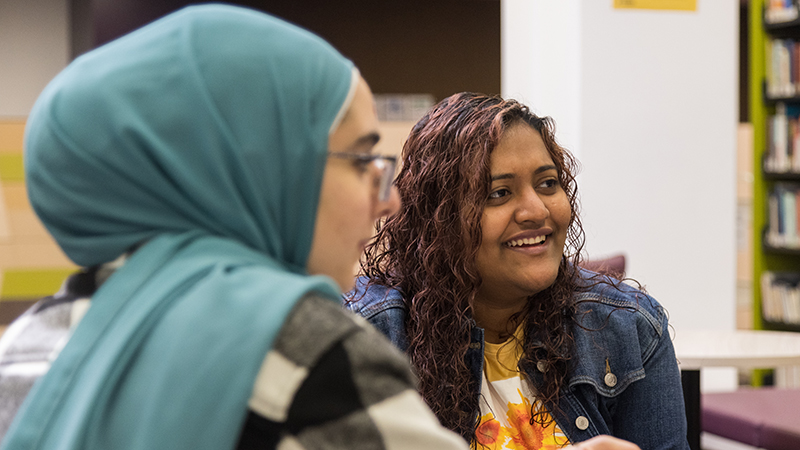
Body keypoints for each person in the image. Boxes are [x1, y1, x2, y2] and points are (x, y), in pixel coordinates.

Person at [0, 5, 472, 449]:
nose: (388, 199)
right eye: (362, 159)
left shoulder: (25, 346)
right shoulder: (304, 351)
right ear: (261, 169)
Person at [346, 93, 690, 449]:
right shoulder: (369, 337)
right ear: (440, 219)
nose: (536, 210)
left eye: (547, 184)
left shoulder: (629, 329)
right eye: (499, 193)